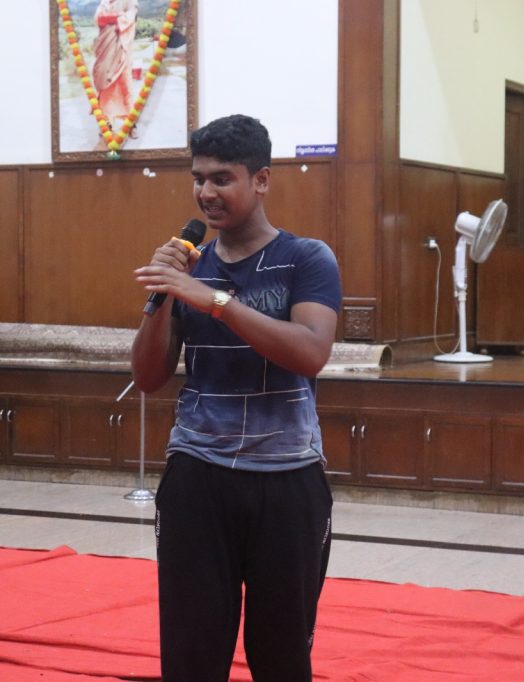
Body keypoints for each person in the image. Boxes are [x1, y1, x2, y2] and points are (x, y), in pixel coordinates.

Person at [131, 114, 341, 681]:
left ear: (262, 180)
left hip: (287, 478)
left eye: (222, 178)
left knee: (281, 654)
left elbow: (310, 352)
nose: (206, 192)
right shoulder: (189, 268)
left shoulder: (307, 258)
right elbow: (148, 377)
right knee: (191, 655)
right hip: (197, 474)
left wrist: (216, 302)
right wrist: (164, 298)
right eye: (198, 178)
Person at [92, 0, 139, 129]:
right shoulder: (104, 2)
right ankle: (108, 121)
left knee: (126, 85)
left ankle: (131, 123)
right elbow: (98, 19)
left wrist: (110, 18)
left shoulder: (130, 2)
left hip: (122, 49)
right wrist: (118, 15)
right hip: (105, 50)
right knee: (105, 85)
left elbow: (128, 18)